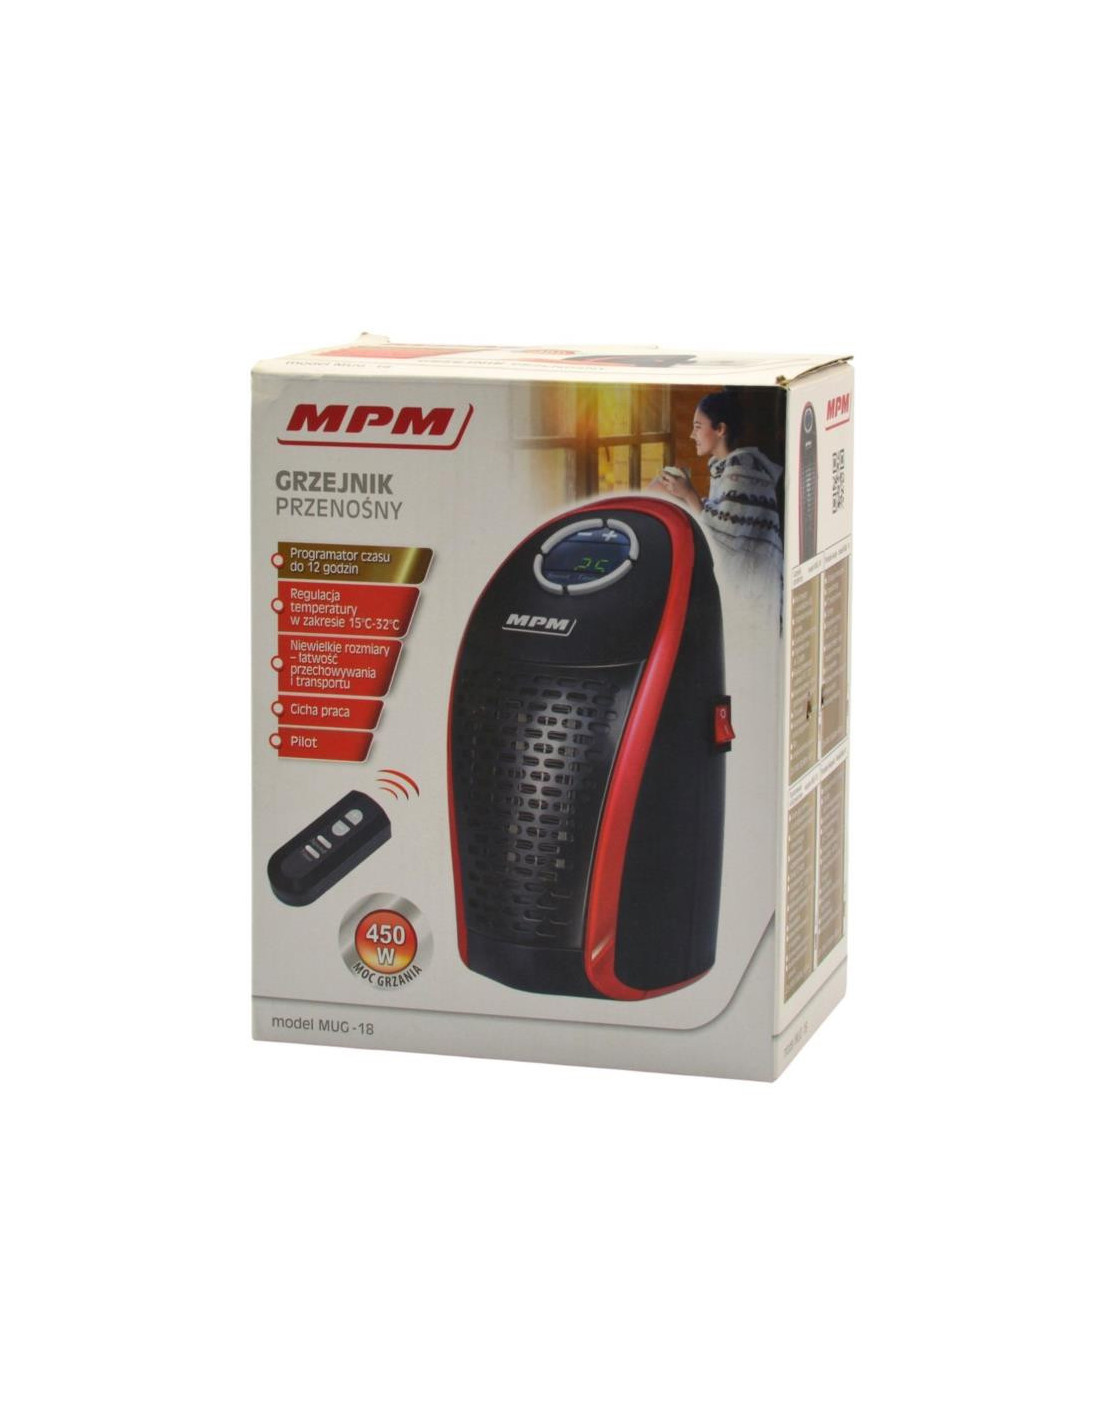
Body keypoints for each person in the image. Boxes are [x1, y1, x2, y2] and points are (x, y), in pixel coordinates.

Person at [651, 387, 784, 590]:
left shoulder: (743, 472)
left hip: (756, 586)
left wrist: (688, 494)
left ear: (720, 429)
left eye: (697, 427)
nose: (691, 435)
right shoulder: (724, 469)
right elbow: (723, 519)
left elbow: (725, 536)